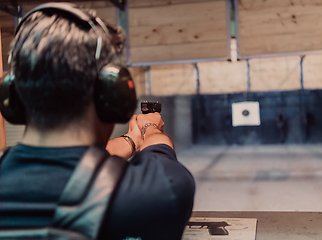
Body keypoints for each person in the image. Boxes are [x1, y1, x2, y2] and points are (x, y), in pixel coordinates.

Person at [0, 4, 195, 240]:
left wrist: (132, 140)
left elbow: (67, 158)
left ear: (13, 95)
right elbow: (161, 158)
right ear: (112, 95)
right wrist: (150, 130)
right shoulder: (156, 193)